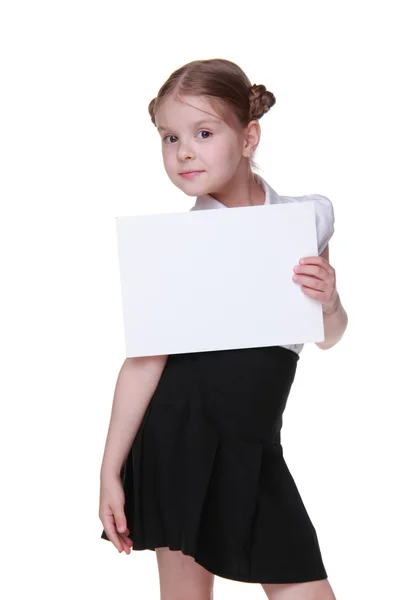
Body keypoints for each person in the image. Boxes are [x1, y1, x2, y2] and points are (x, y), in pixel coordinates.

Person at [99, 58, 348, 600]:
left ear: (249, 136)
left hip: (254, 446)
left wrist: (329, 299)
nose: (184, 151)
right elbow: (145, 361)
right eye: (169, 137)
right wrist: (109, 471)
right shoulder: (173, 248)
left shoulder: (306, 220)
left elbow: (328, 335)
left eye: (204, 133)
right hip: (174, 440)